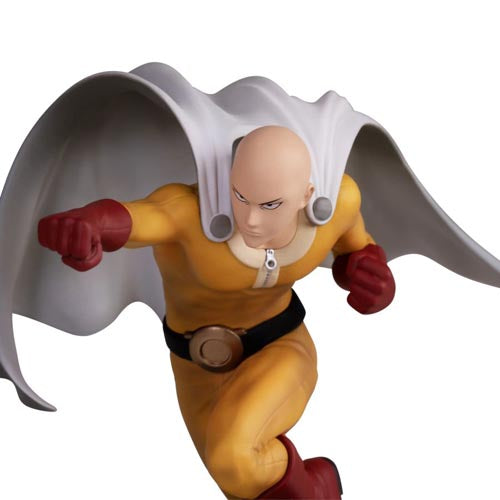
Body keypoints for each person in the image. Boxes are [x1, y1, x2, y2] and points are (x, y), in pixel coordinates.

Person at [38, 125, 395, 499]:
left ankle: (313, 489)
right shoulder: (189, 213)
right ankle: (316, 485)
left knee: (233, 458)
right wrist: (85, 224)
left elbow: (357, 251)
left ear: (306, 195)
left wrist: (373, 280)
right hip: (195, 369)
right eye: (240, 196)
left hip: (281, 347)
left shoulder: (336, 204)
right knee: (240, 482)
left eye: (270, 205)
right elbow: (132, 218)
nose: (251, 219)